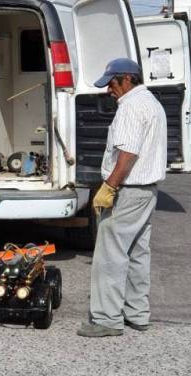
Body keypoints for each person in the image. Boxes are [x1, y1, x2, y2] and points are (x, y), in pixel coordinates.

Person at [77, 58, 167, 337]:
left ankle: (107, 319)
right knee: (138, 253)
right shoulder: (152, 102)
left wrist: (110, 187)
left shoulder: (131, 106)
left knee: (110, 254)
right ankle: (136, 313)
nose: (109, 90)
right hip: (146, 190)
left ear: (127, 79)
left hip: (128, 190)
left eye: (112, 83)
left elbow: (128, 154)